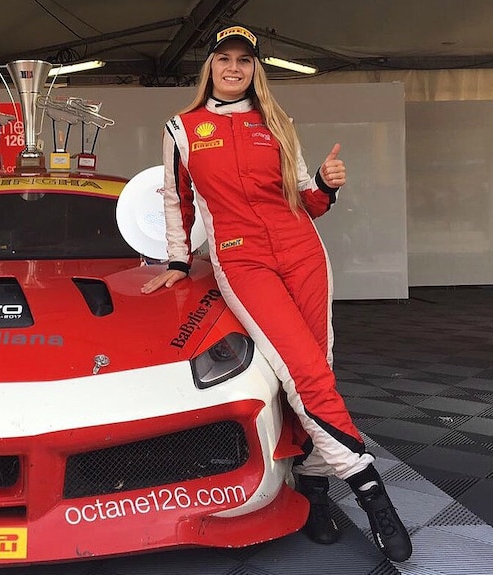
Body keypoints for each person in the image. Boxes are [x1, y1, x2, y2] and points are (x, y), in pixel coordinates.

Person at [140, 25, 412, 562]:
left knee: (319, 370)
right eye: (225, 59)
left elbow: (304, 202)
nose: (234, 68)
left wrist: (325, 184)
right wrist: (176, 259)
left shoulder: (277, 124)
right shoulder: (182, 128)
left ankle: (313, 488)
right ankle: (371, 491)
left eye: (245, 60)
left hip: (302, 251)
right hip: (242, 259)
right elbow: (178, 201)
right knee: (303, 373)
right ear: (210, 67)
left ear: (255, 69)